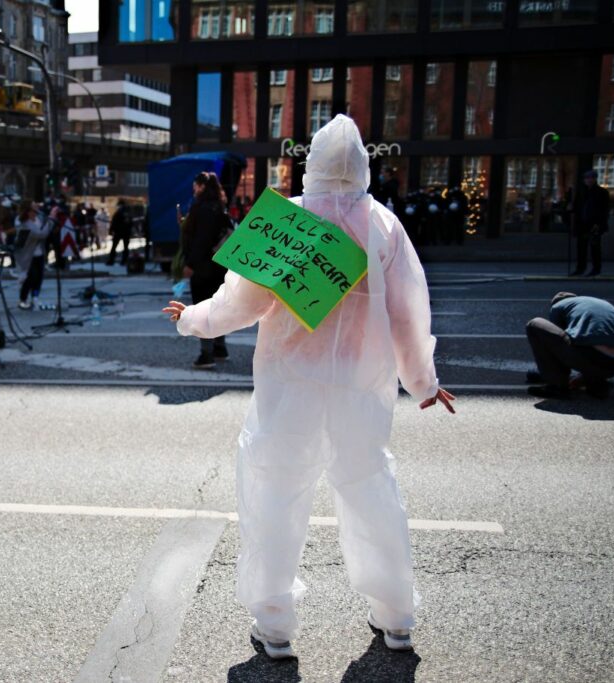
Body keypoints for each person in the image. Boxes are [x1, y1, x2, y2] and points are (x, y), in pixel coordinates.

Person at [163, 114, 455, 658]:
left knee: (275, 492)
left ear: (311, 166)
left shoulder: (288, 221)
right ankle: (396, 618)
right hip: (361, 387)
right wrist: (422, 382)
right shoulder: (384, 225)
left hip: (290, 382)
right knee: (371, 492)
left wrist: (192, 320)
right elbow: (410, 314)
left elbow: (239, 303)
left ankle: (274, 626)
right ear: (364, 166)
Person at [525, 293, 614, 400]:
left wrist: (549, 373)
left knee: (535, 324)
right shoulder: (602, 304)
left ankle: (557, 386)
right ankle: (597, 385)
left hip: (592, 359)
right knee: (590, 339)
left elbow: (556, 346)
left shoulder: (558, 306)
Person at [181, 171, 231, 369]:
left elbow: (201, 240)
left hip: (203, 268)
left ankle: (206, 354)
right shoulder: (220, 207)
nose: (194, 189)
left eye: (196, 185)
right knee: (217, 307)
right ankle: (220, 348)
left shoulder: (202, 208)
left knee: (202, 310)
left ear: (201, 186)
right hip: (219, 266)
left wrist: (190, 264)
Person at [570, 170, 610, 277]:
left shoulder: (602, 192)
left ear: (595, 179)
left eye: (590, 178)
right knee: (581, 248)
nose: (588, 180)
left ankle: (596, 269)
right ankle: (580, 268)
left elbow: (604, 210)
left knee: (594, 248)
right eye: (586, 178)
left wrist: (599, 223)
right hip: (582, 224)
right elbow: (576, 208)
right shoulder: (582, 192)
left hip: (594, 224)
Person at [13, 200, 52, 309]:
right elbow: (39, 234)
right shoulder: (22, 222)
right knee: (31, 277)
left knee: (39, 277)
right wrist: (51, 221)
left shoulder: (38, 219)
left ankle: (35, 297)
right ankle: (22, 299)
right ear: (28, 210)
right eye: (34, 207)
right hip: (27, 255)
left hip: (39, 253)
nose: (37, 209)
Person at [107, 201, 131, 266]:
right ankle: (124, 261)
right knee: (125, 247)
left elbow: (114, 222)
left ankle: (111, 260)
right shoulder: (128, 213)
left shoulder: (118, 213)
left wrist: (111, 231)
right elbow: (131, 223)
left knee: (114, 246)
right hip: (126, 232)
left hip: (118, 232)